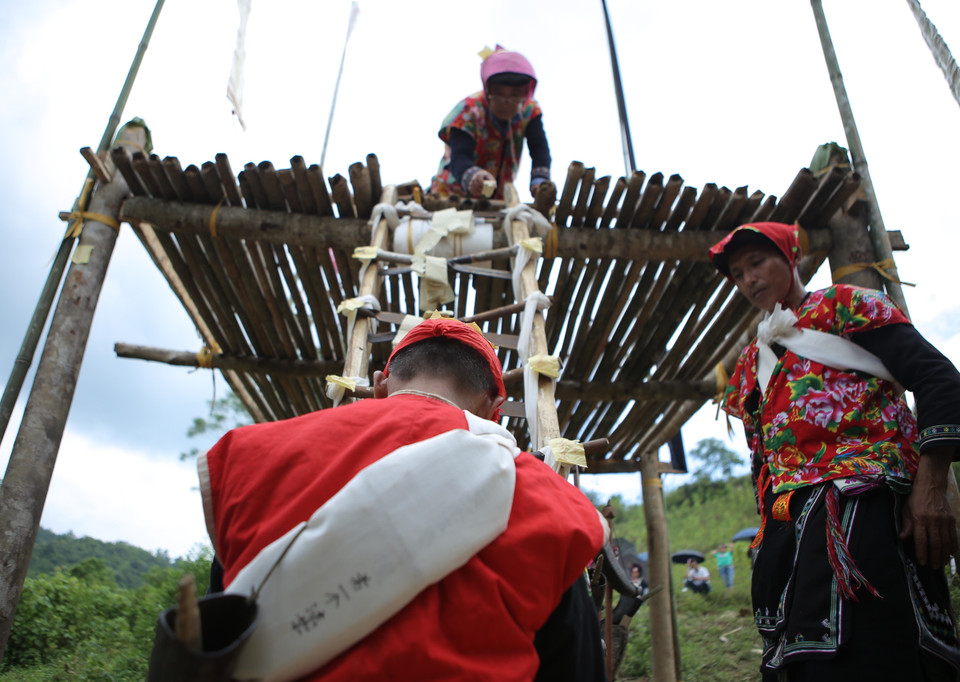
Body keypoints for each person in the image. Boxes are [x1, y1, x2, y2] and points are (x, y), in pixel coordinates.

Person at [198, 318, 608, 681]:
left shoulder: (248, 458)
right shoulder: (548, 504)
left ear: (380, 385)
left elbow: (219, 634)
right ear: (493, 409)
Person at [709, 221, 960, 680]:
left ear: (792, 258)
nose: (749, 279)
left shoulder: (845, 306)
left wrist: (930, 488)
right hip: (789, 529)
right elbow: (761, 458)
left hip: (862, 508)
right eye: (738, 273)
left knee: (876, 651)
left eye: (757, 262)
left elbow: (938, 379)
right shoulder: (750, 362)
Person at [429, 46, 551, 200]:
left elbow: (539, 149)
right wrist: (473, 175)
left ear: (525, 93)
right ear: (488, 91)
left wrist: (540, 182)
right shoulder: (468, 111)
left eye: (515, 96)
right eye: (499, 94)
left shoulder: (529, 111)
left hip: (497, 198)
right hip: (453, 196)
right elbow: (459, 156)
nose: (506, 103)